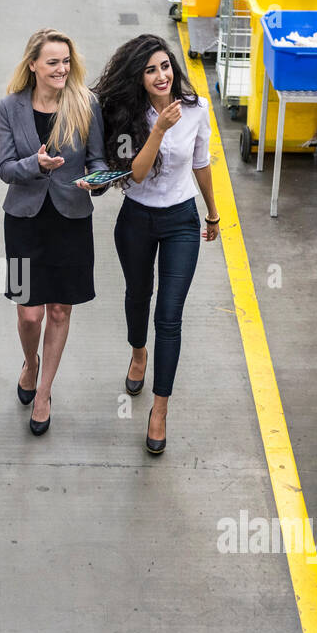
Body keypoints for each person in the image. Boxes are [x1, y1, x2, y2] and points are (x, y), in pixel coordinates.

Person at [91, 34, 220, 456]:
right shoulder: (128, 116)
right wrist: (160, 128)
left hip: (181, 219)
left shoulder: (197, 109)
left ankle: (160, 409)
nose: (161, 75)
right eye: (150, 70)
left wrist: (212, 212)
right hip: (137, 218)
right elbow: (139, 174)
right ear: (139, 79)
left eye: (165, 66)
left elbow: (201, 161)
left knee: (169, 314)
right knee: (138, 295)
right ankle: (137, 351)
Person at [0, 28, 107, 436]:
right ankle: (30, 362)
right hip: (25, 219)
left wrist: (97, 181)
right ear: (33, 65)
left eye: (65, 62)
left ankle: (43, 394)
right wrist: (35, 165)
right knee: (29, 313)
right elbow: (5, 168)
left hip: (71, 218)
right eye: (52, 62)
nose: (61, 69)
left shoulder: (86, 104)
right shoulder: (10, 107)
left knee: (59, 310)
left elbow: (97, 161)